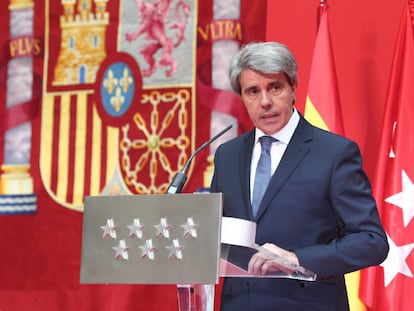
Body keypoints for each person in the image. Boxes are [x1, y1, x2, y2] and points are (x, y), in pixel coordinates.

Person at [210, 41, 389, 311]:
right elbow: (218, 236)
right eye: (253, 91)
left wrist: (298, 258)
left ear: (293, 87)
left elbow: (371, 242)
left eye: (275, 87)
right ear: (242, 97)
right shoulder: (228, 155)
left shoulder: (334, 153)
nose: (265, 101)